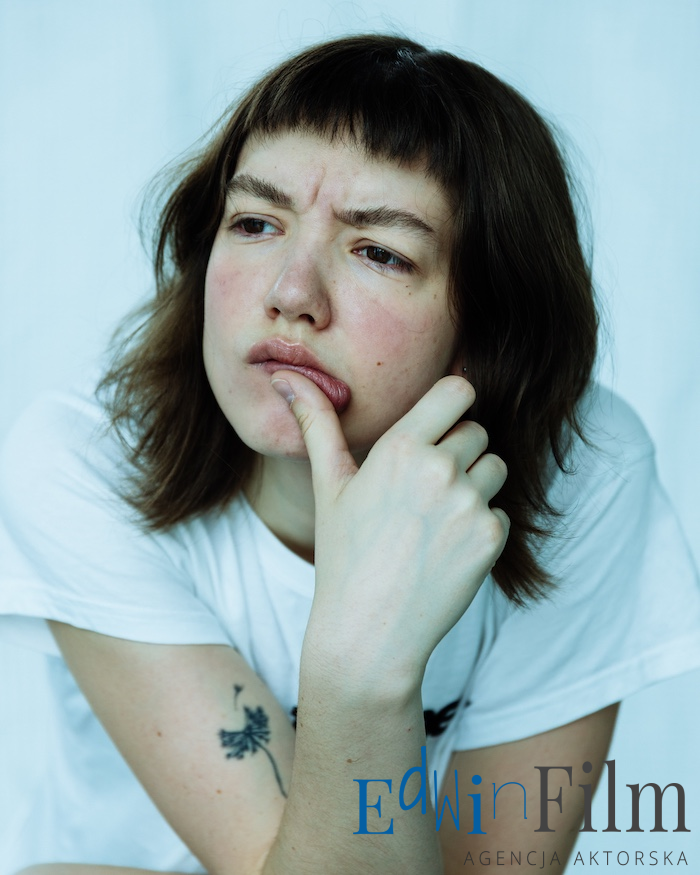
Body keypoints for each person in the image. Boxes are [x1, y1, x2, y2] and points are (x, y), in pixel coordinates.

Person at [1, 34, 699, 875]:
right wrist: (358, 660)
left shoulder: (583, 473)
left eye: (380, 252)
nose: (291, 293)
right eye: (254, 223)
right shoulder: (83, 464)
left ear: (490, 325)